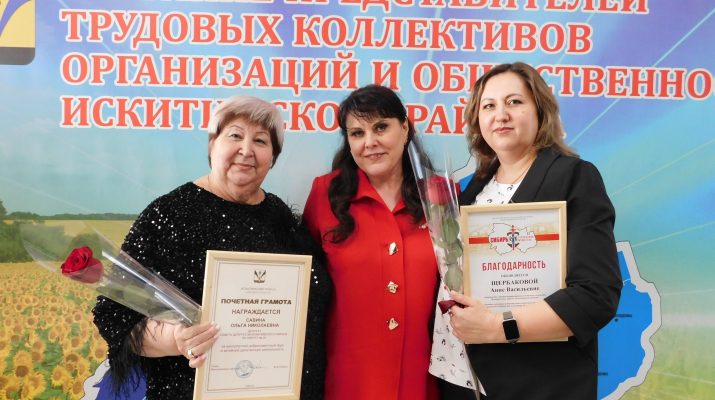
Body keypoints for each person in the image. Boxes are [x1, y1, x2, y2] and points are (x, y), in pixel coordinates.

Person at [92, 95, 330, 399]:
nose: (246, 150)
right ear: (212, 145)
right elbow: (114, 315)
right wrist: (176, 338)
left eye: (260, 140)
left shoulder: (279, 215)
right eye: (235, 135)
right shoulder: (170, 213)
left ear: (273, 156)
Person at [446, 62, 622, 399]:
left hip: (541, 384)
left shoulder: (573, 177)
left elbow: (595, 294)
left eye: (514, 102)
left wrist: (498, 327)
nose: (501, 115)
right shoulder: (472, 191)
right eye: (488, 106)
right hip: (467, 382)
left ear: (541, 111)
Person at [303, 84, 439, 400]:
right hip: (346, 381)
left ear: (405, 128)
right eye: (357, 133)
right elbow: (305, 288)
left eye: (381, 127)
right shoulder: (325, 194)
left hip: (421, 380)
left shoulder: (440, 196)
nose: (370, 142)